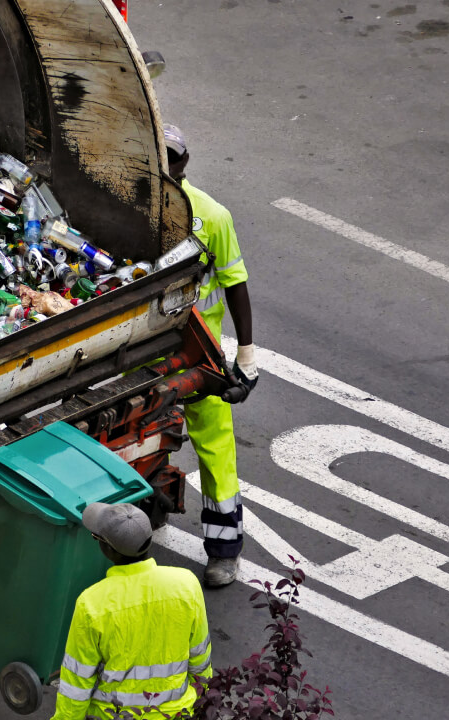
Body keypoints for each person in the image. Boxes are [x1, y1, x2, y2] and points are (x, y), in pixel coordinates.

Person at [162, 123, 258, 588]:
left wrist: (247, 353)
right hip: (143, 348)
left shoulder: (212, 216)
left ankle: (224, 552)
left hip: (199, 352)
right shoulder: (129, 205)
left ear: (185, 161)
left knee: (216, 450)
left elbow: (236, 283)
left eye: (172, 156)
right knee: (139, 433)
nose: (165, 164)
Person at [51, 502, 212, 720]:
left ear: (107, 549)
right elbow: (200, 659)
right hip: (178, 713)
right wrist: (201, 702)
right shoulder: (186, 585)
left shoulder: (92, 604)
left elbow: (77, 683)